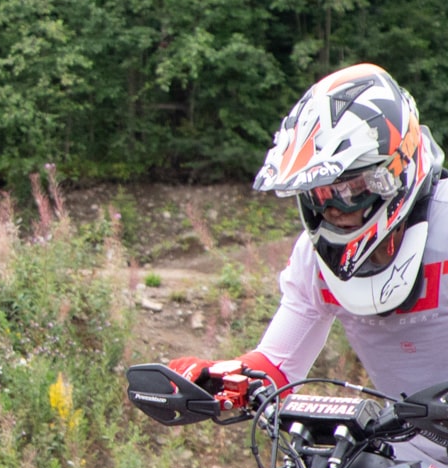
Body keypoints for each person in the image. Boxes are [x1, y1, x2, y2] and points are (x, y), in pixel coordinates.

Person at [173, 64, 448, 414]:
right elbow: (277, 365)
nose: (333, 209)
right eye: (318, 194)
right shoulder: (314, 260)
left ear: (394, 172)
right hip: (402, 452)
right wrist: (213, 380)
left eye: (349, 189)